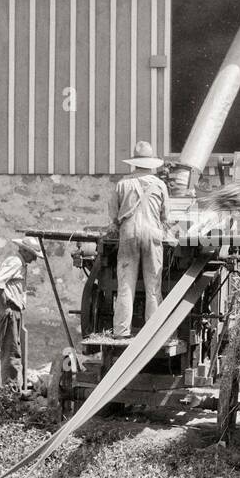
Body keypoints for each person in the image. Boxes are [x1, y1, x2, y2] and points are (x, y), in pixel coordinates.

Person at [106, 140, 169, 339]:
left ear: (134, 163)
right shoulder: (159, 185)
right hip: (152, 234)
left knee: (125, 286)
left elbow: (114, 215)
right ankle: (152, 334)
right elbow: (166, 216)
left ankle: (122, 331)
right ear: (152, 163)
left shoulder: (122, 184)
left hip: (129, 234)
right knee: (153, 286)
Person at [0, 236, 39, 386]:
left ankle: (11, 388)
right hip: (9, 309)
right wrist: (6, 306)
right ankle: (9, 391)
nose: (34, 259)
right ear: (24, 251)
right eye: (32, 255)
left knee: (13, 350)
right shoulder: (16, 262)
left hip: (14, 309)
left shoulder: (21, 264)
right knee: (11, 352)